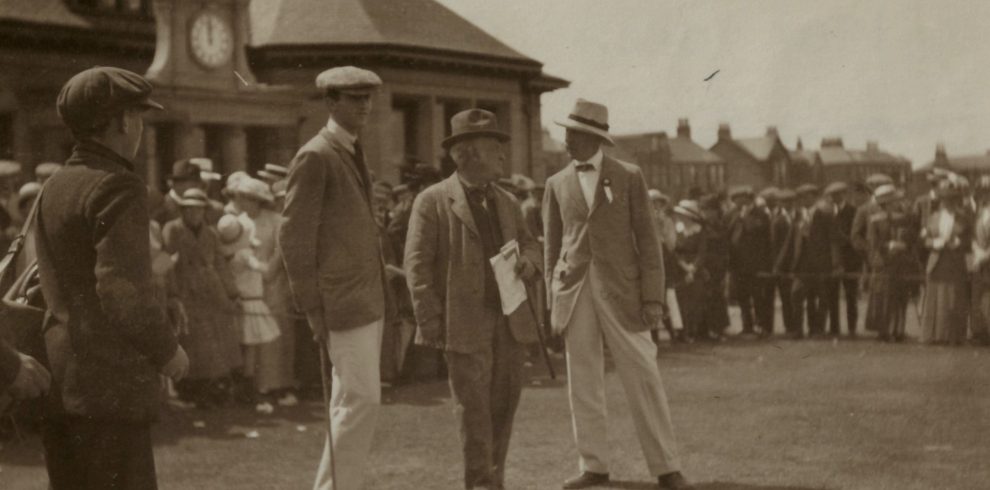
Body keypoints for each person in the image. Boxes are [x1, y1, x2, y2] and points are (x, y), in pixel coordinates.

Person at [36, 66, 188, 489]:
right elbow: (123, 292)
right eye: (138, 116)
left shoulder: (55, 185)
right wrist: (167, 351)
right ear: (123, 120)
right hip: (111, 388)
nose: (139, 128)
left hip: (60, 380)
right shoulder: (118, 185)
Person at [544, 99, 691, 490]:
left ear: (593, 137)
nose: (566, 140)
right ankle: (594, 465)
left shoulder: (629, 176)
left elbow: (648, 239)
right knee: (583, 378)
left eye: (573, 134)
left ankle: (667, 467)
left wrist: (653, 298)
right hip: (574, 293)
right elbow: (552, 248)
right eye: (567, 132)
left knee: (643, 374)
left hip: (623, 293)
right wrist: (552, 299)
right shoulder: (555, 184)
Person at [405, 109, 541, 490]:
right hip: (464, 323)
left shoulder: (508, 202)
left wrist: (530, 263)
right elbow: (416, 268)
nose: (502, 155)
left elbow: (531, 244)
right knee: (474, 411)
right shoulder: (431, 202)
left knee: (504, 407)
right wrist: (431, 323)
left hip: (510, 322)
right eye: (494, 147)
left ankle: (493, 480)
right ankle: (481, 484)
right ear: (467, 154)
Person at [280, 66, 387, 490]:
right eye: (354, 98)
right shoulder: (316, 155)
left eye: (367, 98)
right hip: (341, 303)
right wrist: (311, 307)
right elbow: (294, 237)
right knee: (362, 400)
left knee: (351, 401)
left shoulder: (351, 150)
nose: (364, 106)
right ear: (330, 102)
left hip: (365, 298)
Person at [163, 189, 240, 409]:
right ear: (183, 210)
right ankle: (189, 390)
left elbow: (220, 265)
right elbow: (169, 264)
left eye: (199, 209)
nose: (195, 213)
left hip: (211, 292)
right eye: (190, 209)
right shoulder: (173, 229)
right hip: (186, 292)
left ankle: (211, 390)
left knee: (214, 343)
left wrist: (231, 293)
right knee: (190, 342)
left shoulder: (211, 234)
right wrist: (173, 294)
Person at [776, 184, 841, 339]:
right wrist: (780, 264)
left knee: (822, 298)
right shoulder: (798, 216)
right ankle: (798, 329)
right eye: (801, 197)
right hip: (802, 264)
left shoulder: (825, 215)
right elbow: (790, 241)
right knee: (796, 294)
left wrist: (836, 263)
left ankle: (817, 329)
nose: (803, 200)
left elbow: (833, 241)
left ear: (814, 197)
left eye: (806, 196)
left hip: (820, 264)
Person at [920, 179, 971, 345]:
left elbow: (970, 240)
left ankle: (953, 336)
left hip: (955, 263)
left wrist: (960, 243)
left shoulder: (963, 217)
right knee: (935, 298)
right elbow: (924, 238)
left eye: (952, 199)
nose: (949, 202)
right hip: (937, 261)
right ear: (941, 200)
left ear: (957, 200)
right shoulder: (933, 217)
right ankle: (934, 335)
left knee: (953, 299)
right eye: (946, 199)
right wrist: (933, 243)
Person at [866, 185, 916, 342]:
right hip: (884, 263)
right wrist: (888, 245)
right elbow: (873, 243)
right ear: (886, 203)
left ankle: (898, 330)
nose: (897, 203)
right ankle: (884, 330)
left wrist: (904, 245)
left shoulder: (902, 218)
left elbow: (910, 238)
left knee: (900, 296)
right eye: (893, 201)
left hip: (900, 263)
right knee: (884, 297)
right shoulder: (875, 220)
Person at [726, 185, 772, 337]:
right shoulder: (732, 214)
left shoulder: (760, 214)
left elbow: (757, 230)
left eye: (740, 199)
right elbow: (728, 232)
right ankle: (747, 325)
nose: (737, 202)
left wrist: (745, 217)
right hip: (738, 263)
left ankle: (761, 325)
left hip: (755, 262)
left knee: (758, 296)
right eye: (735, 200)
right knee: (742, 296)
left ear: (747, 198)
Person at [825, 182, 859, 337]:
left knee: (851, 296)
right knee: (832, 295)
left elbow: (855, 235)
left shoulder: (853, 211)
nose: (834, 198)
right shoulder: (828, 212)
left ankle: (852, 328)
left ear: (843, 194)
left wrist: (843, 238)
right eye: (832, 195)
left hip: (850, 259)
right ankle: (835, 328)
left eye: (837, 194)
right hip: (833, 259)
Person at [671, 200, 708, 343]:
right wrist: (684, 266)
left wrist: (693, 268)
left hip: (696, 270)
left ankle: (694, 331)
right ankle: (683, 332)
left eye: (683, 215)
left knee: (695, 302)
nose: (680, 218)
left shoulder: (699, 230)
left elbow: (702, 252)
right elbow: (675, 251)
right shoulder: (678, 230)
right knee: (682, 302)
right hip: (680, 269)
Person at [769, 189, 797, 336]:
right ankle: (789, 326)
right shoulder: (777, 221)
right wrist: (777, 264)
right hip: (783, 264)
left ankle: (797, 326)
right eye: (784, 202)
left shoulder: (799, 217)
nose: (787, 204)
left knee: (796, 296)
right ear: (780, 203)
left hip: (797, 262)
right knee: (786, 296)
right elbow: (774, 244)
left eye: (790, 201)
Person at [969, 176, 990, 346]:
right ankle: (981, 331)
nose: (984, 196)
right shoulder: (980, 213)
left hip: (986, 259)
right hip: (981, 260)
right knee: (979, 295)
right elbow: (974, 237)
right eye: (983, 193)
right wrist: (976, 250)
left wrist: (984, 255)